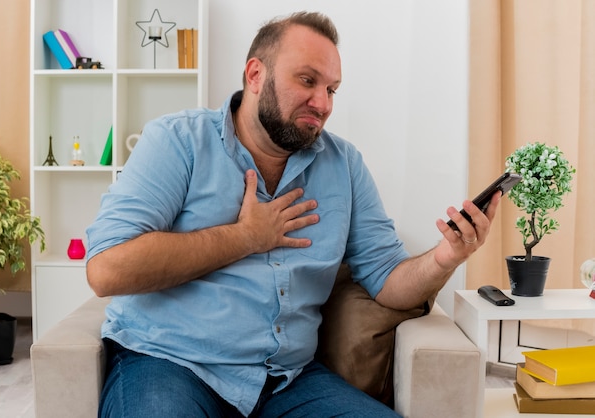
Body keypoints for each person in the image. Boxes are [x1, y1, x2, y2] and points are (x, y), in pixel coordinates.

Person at [86, 11, 499, 418]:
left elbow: (388, 280)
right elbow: (108, 269)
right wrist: (245, 237)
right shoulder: (177, 141)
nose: (322, 103)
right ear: (254, 75)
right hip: (169, 364)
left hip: (287, 381)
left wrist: (446, 257)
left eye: (332, 89)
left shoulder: (345, 165)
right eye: (307, 80)